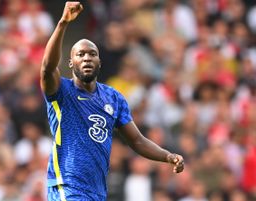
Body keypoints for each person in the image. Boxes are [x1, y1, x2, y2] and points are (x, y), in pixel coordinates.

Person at [41, 2, 185, 200]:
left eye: (92, 54)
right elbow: (47, 68)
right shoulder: (62, 91)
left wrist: (167, 156)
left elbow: (136, 140)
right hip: (66, 186)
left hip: (97, 191)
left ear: (99, 62)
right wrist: (63, 23)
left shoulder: (113, 98)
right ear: (70, 62)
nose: (86, 58)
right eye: (80, 54)